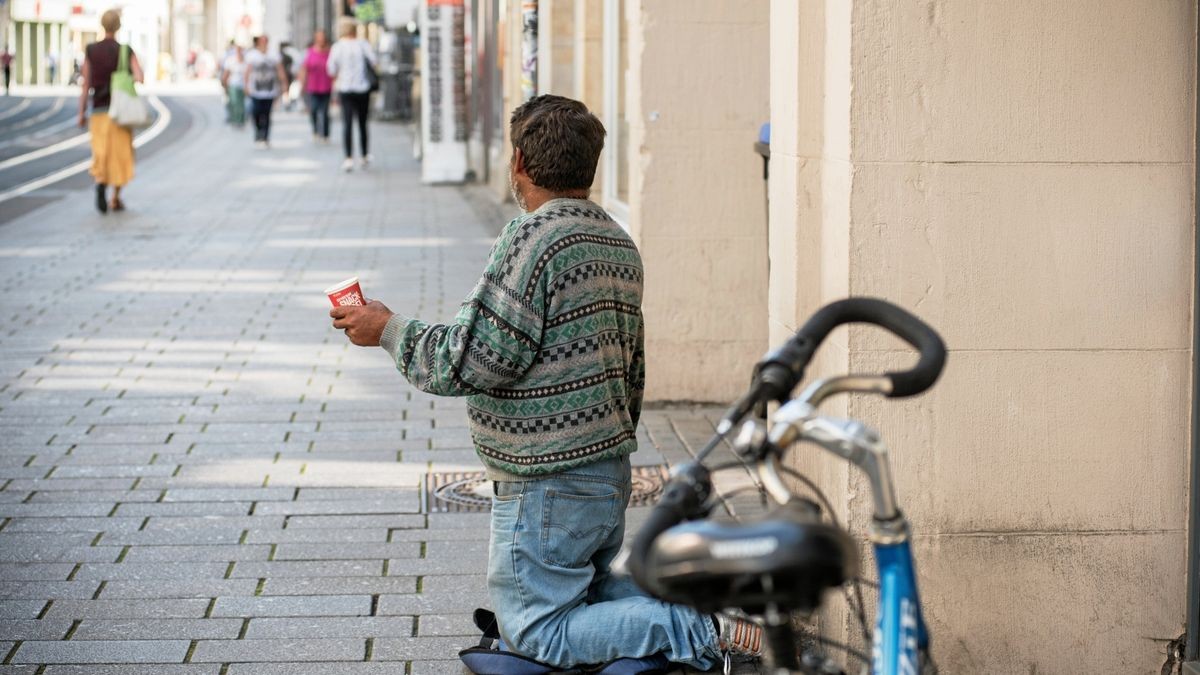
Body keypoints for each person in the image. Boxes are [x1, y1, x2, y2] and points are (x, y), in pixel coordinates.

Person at [328, 95, 762, 670]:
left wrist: (387, 329)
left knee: (540, 631)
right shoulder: (618, 244)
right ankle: (722, 610)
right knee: (587, 594)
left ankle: (704, 627)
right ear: (591, 165)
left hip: (546, 479)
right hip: (604, 470)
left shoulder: (532, 241)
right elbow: (631, 369)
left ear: (519, 163)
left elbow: (472, 358)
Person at [78, 9, 142, 214]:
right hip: (120, 112)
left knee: (101, 152)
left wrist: (81, 112)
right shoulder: (125, 50)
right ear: (119, 26)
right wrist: (124, 79)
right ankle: (115, 197)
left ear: (102, 25)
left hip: (98, 109)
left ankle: (99, 182)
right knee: (121, 154)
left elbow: (85, 84)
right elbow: (140, 77)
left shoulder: (91, 50)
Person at [326, 18, 376, 171]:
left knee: (347, 123)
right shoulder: (363, 44)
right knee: (362, 122)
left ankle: (348, 158)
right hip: (363, 88)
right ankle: (364, 155)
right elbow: (374, 61)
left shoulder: (338, 47)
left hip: (345, 88)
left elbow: (331, 69)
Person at [243, 35, 287, 148]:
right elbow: (247, 71)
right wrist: (246, 85)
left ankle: (265, 137)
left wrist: (284, 85)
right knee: (256, 112)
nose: (263, 43)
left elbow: (280, 70)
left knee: (267, 114)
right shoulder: (252, 55)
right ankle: (258, 133)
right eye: (261, 41)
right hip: (255, 90)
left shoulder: (274, 55)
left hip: (270, 89)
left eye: (265, 41)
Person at [299, 30, 332, 143]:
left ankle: (325, 134)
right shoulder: (310, 52)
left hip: (326, 86)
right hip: (313, 86)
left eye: (322, 37)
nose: (321, 40)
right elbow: (304, 69)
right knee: (313, 109)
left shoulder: (329, 52)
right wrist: (302, 84)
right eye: (319, 37)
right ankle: (316, 131)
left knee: (325, 111)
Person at [220, 44, 246, 128]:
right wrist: (224, 84)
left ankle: (241, 120)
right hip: (233, 85)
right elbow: (226, 74)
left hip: (243, 85)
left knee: (241, 104)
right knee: (234, 103)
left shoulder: (246, 61)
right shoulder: (231, 60)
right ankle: (235, 120)